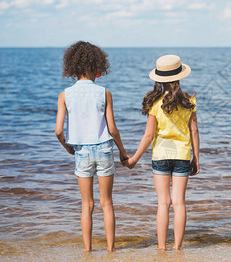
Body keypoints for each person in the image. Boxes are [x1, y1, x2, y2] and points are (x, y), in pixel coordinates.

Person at [55, 41, 129, 252]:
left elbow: (58, 131)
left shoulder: (65, 95)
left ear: (73, 67)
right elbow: (113, 129)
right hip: (104, 148)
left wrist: (68, 147)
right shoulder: (104, 93)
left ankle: (87, 250)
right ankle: (110, 250)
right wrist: (123, 152)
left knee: (87, 205)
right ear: (98, 65)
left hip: (82, 151)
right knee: (107, 203)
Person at [124, 54, 200, 251]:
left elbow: (148, 136)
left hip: (160, 157)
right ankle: (177, 248)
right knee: (179, 203)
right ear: (180, 77)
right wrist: (196, 159)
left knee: (163, 203)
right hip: (182, 156)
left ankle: (161, 248)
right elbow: (194, 131)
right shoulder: (189, 101)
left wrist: (134, 159)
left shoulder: (155, 103)